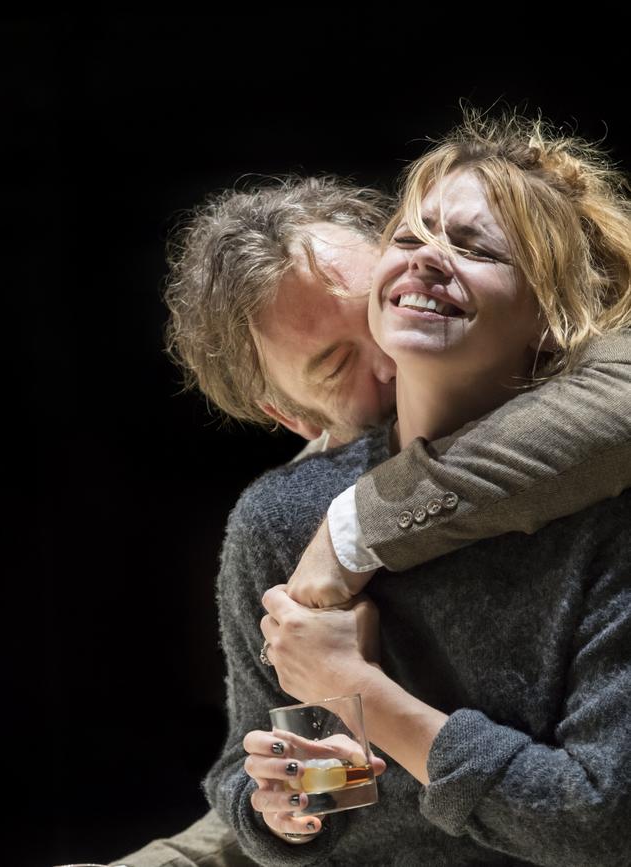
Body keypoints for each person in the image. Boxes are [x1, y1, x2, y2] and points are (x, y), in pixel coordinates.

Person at [112, 161, 631, 866]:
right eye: (335, 366)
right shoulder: (284, 515)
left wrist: (352, 662)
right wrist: (296, 798)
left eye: (468, 248)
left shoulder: (602, 487)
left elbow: (596, 819)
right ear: (293, 417)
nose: (388, 359)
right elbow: (292, 791)